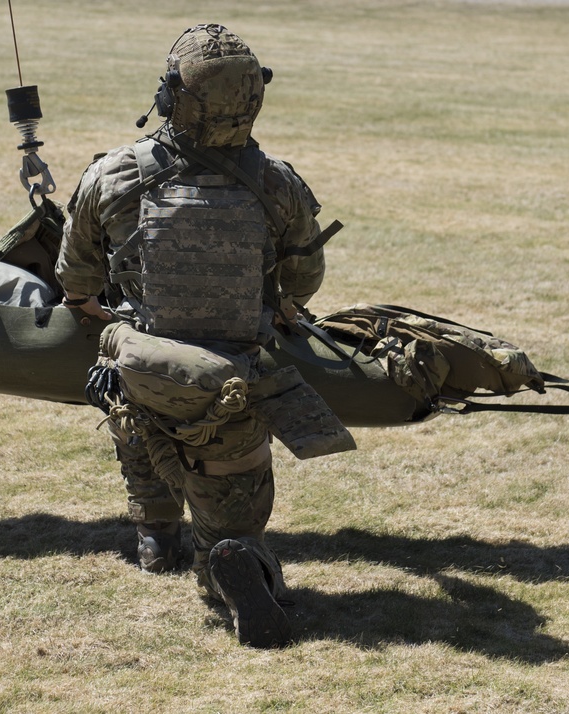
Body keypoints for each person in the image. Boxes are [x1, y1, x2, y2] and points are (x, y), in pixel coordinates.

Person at [57, 23, 333, 648]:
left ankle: (156, 532)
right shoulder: (278, 184)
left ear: (170, 96)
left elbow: (75, 281)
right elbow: (303, 281)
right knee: (233, 500)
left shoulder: (112, 175)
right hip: (237, 380)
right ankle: (233, 559)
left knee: (127, 396)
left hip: (146, 364)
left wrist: (119, 323)